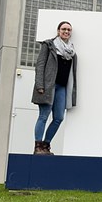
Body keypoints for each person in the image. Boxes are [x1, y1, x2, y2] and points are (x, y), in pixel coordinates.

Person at [31, 21, 77, 155]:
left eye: (69, 29)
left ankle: (46, 145)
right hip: (48, 87)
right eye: (64, 29)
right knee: (43, 116)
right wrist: (40, 85)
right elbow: (40, 65)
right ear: (58, 31)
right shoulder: (49, 45)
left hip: (62, 87)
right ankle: (38, 146)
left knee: (59, 118)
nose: (66, 32)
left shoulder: (71, 51)